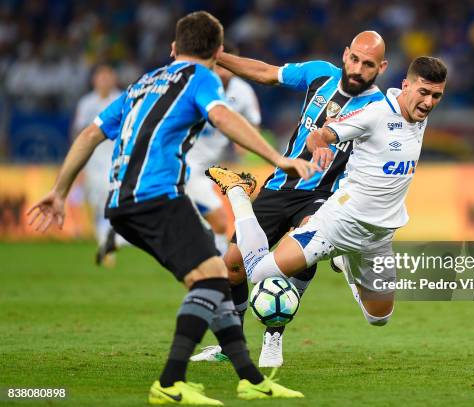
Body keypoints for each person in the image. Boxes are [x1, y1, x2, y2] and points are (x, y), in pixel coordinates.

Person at [27, 11, 317, 405]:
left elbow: (92, 133)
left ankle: (251, 379)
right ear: (217, 52)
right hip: (156, 196)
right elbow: (222, 116)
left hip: (121, 203)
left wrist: (59, 191)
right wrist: (276, 158)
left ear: (173, 48)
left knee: (212, 276)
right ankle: (169, 382)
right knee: (213, 281)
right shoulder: (202, 79)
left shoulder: (140, 85)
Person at [207, 56, 447, 332]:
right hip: (338, 222)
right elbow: (321, 134)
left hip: (377, 236)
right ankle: (238, 193)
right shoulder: (376, 113)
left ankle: (345, 262)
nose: (429, 102)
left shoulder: (417, 116)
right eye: (424, 93)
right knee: (258, 273)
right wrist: (320, 142)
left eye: (436, 96)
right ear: (406, 86)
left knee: (379, 317)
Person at [192, 31, 388, 368]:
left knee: (301, 250)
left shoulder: (379, 109)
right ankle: (231, 346)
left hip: (325, 195)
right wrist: (217, 56)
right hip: (280, 186)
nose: (358, 69)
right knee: (233, 264)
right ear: (345, 54)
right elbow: (267, 73)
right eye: (354, 59)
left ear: (381, 67)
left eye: (368, 64)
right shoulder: (319, 74)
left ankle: (273, 337)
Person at [185, 43, 261, 256]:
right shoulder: (199, 86)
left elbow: (253, 123)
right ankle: (214, 261)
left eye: (228, 66)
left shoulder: (243, 92)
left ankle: (211, 259)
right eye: (219, 66)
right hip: (187, 162)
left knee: (214, 221)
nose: (223, 72)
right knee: (216, 219)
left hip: (213, 165)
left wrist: (243, 142)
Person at [72, 64, 126, 266]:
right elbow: (78, 132)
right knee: (97, 203)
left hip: (116, 157)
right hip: (93, 158)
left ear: (114, 79)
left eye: (107, 76)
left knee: (110, 199)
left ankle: (111, 239)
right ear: (94, 80)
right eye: (100, 76)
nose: (104, 80)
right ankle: (109, 239)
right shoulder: (86, 103)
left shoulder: (122, 98)